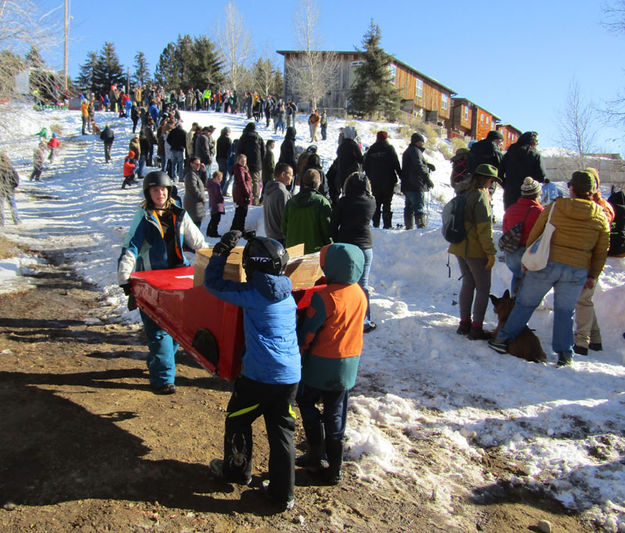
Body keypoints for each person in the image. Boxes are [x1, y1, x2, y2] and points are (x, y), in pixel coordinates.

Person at [205, 231, 300, 511]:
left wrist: (221, 252)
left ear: (251, 266)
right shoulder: (287, 291)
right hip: (290, 375)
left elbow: (213, 284)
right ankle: (284, 495)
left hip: (260, 375)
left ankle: (236, 471)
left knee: (238, 418)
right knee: (282, 430)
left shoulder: (252, 294)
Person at [489, 170, 610, 367]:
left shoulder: (556, 207)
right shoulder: (600, 216)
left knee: (525, 304)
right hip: (576, 269)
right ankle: (564, 354)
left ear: (571, 188)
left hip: (547, 265)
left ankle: (502, 340)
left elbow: (536, 233)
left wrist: (529, 260)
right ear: (592, 190)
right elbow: (601, 250)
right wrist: (593, 275)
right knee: (564, 312)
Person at [117, 171, 205, 394]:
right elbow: (131, 247)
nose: (160, 193)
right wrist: (125, 278)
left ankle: (159, 363)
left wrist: (218, 258)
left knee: (177, 329)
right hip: (151, 282)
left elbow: (199, 243)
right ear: (148, 192)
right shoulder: (144, 216)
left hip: (177, 280)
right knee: (158, 331)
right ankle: (163, 379)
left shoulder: (179, 213)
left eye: (163, 189)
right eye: (155, 190)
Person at [296, 243, 367, 484]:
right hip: (348, 363)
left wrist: (300, 349)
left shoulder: (323, 297)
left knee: (305, 401)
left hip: (321, 363)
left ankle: (317, 454)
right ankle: (334, 469)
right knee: (336, 411)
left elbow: (308, 333)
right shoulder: (360, 292)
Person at [449, 164, 499, 340]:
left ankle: (464, 324)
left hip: (459, 247)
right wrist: (490, 252)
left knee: (468, 284)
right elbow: (484, 229)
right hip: (475, 250)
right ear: (488, 179)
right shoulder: (480, 196)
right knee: (483, 288)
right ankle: (476, 328)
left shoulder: (464, 193)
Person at [573, 167, 615, 356]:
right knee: (585, 301)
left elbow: (599, 238)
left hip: (590, 262)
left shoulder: (601, 207)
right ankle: (595, 339)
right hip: (583, 260)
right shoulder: (589, 204)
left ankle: (581, 342)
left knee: (583, 301)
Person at [329, 172, 376, 332]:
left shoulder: (344, 202)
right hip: (366, 245)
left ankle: (345, 318)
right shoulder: (371, 202)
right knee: (363, 284)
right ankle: (364, 320)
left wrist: (337, 242)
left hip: (347, 245)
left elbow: (333, 225)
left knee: (345, 283)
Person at [501, 177, 544, 294]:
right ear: (537, 194)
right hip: (529, 254)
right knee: (530, 283)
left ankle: (514, 301)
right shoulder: (540, 212)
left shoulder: (510, 210)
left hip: (511, 254)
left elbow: (505, 231)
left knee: (517, 276)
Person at [282, 169, 332, 254]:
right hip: (315, 252)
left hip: (293, 251)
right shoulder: (321, 202)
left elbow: (284, 227)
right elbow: (327, 231)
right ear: (318, 183)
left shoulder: (291, 202)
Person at [363, 131, 401, 229]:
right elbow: (396, 164)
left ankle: (376, 224)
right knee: (387, 203)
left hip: (375, 181)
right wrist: (401, 176)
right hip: (389, 181)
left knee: (377, 203)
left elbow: (366, 166)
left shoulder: (372, 149)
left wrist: (370, 177)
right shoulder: (389, 148)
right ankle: (387, 225)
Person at [501, 131, 546, 209]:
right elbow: (541, 176)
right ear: (532, 141)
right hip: (529, 196)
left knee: (511, 218)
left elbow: (499, 174)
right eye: (537, 141)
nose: (538, 143)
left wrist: (507, 185)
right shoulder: (535, 155)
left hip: (510, 195)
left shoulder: (508, 154)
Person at [400, 132, 433, 229]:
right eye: (421, 141)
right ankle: (421, 228)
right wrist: (427, 179)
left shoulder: (408, 151)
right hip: (416, 184)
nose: (423, 143)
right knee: (419, 208)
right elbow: (418, 166)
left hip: (407, 184)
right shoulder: (415, 151)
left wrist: (427, 165)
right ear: (417, 142)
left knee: (409, 208)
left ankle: (409, 228)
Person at [330, 127, 363, 207]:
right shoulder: (353, 145)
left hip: (341, 173)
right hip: (352, 173)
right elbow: (361, 159)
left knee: (344, 192)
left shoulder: (342, 145)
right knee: (351, 193)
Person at [263, 163, 293, 245]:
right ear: (283, 174)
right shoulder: (282, 193)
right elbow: (286, 218)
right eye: (291, 175)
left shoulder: (268, 189)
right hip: (281, 238)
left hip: (270, 236)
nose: (292, 178)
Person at [236, 122, 265, 205]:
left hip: (245, 163)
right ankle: (255, 200)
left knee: (245, 181)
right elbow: (264, 151)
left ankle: (245, 198)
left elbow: (238, 150)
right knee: (256, 181)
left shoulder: (243, 137)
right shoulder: (259, 138)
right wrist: (260, 160)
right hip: (257, 163)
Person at [183, 157, 208, 228]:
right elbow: (194, 189)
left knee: (197, 226)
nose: (198, 166)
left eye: (199, 164)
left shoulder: (195, 174)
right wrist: (202, 198)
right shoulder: (190, 174)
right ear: (191, 164)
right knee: (194, 228)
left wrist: (204, 172)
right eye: (196, 164)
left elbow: (203, 184)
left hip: (197, 204)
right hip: (193, 204)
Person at [231, 154, 252, 232]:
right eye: (242, 161)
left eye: (245, 161)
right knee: (241, 213)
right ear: (238, 161)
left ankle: (235, 228)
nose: (244, 162)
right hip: (242, 194)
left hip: (240, 194)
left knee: (239, 212)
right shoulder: (240, 170)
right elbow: (242, 183)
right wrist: (247, 194)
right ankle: (239, 229)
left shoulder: (242, 169)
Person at [0, 153, 21, 226]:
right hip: (9, 190)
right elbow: (16, 179)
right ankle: (17, 220)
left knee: (1, 206)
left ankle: (1, 222)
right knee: (12, 205)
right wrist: (13, 186)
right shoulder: (10, 168)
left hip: (1, 190)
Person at [206, 170, 225, 238]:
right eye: (220, 178)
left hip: (212, 203)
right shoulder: (216, 185)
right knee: (216, 219)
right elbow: (218, 194)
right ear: (217, 177)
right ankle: (213, 232)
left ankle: (209, 231)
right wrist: (222, 199)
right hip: (217, 204)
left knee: (213, 218)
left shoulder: (210, 184)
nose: (221, 180)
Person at [217, 127, 232, 195]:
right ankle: (223, 190)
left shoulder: (219, 139)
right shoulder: (228, 140)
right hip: (225, 158)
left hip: (219, 157)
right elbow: (229, 150)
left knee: (220, 174)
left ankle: (219, 188)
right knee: (225, 175)